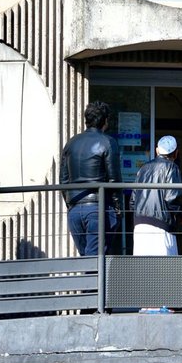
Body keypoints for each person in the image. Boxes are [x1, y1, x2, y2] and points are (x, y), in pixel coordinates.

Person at [60, 100, 121, 255]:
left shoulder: (71, 143)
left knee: (87, 259)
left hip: (74, 209)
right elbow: (114, 180)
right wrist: (117, 207)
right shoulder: (108, 142)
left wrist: (71, 203)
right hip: (98, 208)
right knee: (96, 263)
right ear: (105, 120)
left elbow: (63, 180)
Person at [131, 135, 182, 256]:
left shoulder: (143, 168)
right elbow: (172, 199)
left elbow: (133, 200)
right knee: (164, 271)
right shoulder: (172, 167)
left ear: (157, 150)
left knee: (143, 271)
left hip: (140, 225)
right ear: (176, 153)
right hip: (161, 225)